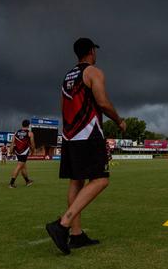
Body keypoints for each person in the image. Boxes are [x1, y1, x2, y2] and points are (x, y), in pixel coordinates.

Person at [45, 37, 127, 255]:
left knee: (76, 182)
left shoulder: (67, 76)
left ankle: (77, 235)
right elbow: (102, 102)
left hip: (70, 136)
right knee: (101, 180)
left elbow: (64, 106)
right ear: (92, 51)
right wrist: (119, 120)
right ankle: (63, 224)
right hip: (88, 134)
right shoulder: (93, 72)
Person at [8, 120, 35, 188]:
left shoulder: (16, 132)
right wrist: (33, 151)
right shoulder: (30, 133)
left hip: (17, 151)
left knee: (23, 167)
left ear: (22, 125)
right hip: (24, 151)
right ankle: (11, 183)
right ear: (29, 125)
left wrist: (11, 151)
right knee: (19, 166)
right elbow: (32, 144)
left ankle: (27, 181)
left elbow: (12, 142)